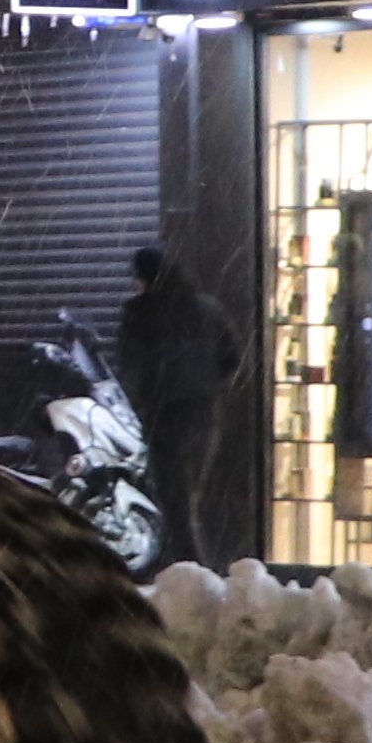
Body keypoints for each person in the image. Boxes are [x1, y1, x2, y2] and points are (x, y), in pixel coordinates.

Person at [114, 242, 237, 567]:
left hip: (164, 417)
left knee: (174, 503)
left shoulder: (140, 313)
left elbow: (130, 365)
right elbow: (231, 357)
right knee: (189, 499)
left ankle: (190, 570)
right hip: (204, 415)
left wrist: (142, 401)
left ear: (144, 277)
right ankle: (190, 568)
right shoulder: (207, 308)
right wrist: (208, 386)